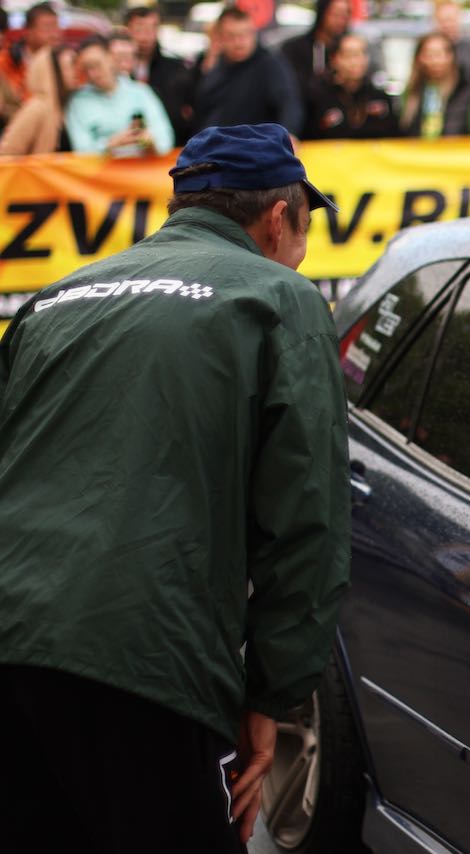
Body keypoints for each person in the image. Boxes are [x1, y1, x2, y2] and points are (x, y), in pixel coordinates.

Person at [0, 122, 350, 854]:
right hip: (146, 666)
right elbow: (306, 525)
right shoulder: (281, 299)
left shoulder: (57, 296)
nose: (302, 248)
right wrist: (271, 697)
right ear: (278, 217)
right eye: (305, 225)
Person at [193, 7, 303, 136]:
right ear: (220, 37)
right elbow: (196, 108)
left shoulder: (269, 64)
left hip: (254, 142)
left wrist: (288, 133)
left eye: (244, 34)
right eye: (231, 36)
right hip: (212, 142)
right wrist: (206, 68)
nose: (239, 42)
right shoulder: (211, 65)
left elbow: (288, 103)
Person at [65, 35, 174, 155]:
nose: (92, 74)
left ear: (111, 58)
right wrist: (109, 145)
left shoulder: (141, 93)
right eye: (87, 68)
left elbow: (165, 140)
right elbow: (81, 150)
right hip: (101, 167)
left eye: (96, 64)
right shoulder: (79, 102)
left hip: (141, 165)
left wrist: (149, 142)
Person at [303, 31, 398, 140]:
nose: (357, 61)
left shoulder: (380, 98)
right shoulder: (318, 98)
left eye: (363, 53)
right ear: (334, 59)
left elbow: (397, 138)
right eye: (350, 55)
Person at [400, 31, 470, 139]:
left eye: (439, 54)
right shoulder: (412, 92)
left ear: (451, 56)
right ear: (419, 58)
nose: (434, 61)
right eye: (429, 55)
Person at [125, 5, 194, 144]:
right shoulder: (118, 68)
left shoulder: (175, 68)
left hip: (169, 144)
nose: (144, 36)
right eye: (139, 29)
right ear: (128, 30)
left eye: (150, 29)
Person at [0, 43, 77, 154]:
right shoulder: (37, 108)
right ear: (53, 71)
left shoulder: (69, 105)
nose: (76, 71)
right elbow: (7, 152)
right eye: (71, 65)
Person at [280, 0, 350, 97]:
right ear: (322, 13)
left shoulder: (348, 48)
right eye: (336, 14)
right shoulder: (295, 49)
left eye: (345, 15)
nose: (341, 21)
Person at [0, 1, 59, 113]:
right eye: (47, 28)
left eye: (57, 27)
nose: (55, 34)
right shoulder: (6, 60)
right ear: (27, 31)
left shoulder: (64, 63)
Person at [434, 0, 470, 85]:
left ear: (459, 19)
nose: (447, 25)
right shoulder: (430, 50)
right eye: (443, 21)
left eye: (450, 20)